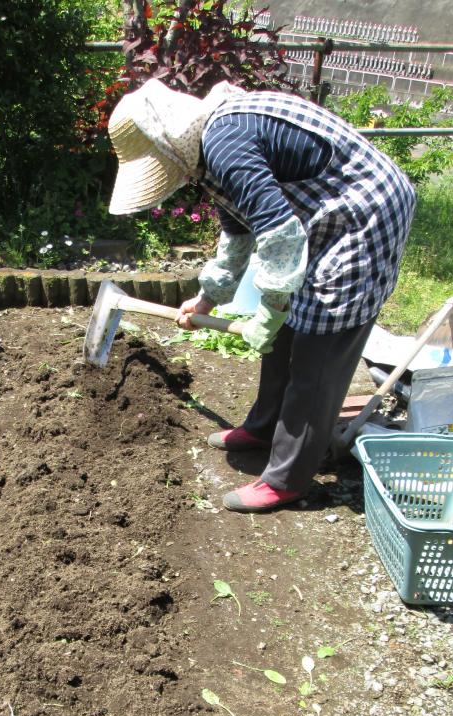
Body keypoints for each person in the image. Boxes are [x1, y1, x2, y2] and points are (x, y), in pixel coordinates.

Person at [107, 78, 416, 512]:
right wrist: (207, 299)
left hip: (365, 215)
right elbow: (238, 233)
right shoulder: (213, 148)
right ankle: (266, 426)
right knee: (286, 330)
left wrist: (268, 312)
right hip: (324, 216)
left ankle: (287, 478)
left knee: (319, 347)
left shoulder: (225, 142)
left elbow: (279, 234)